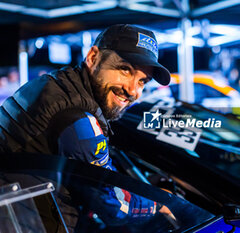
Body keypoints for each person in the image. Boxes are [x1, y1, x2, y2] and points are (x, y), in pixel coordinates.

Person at [0, 24, 171, 231]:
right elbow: (116, 208)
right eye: (125, 70)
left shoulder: (57, 84)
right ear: (92, 58)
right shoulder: (77, 119)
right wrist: (160, 202)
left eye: (143, 81)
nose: (133, 91)